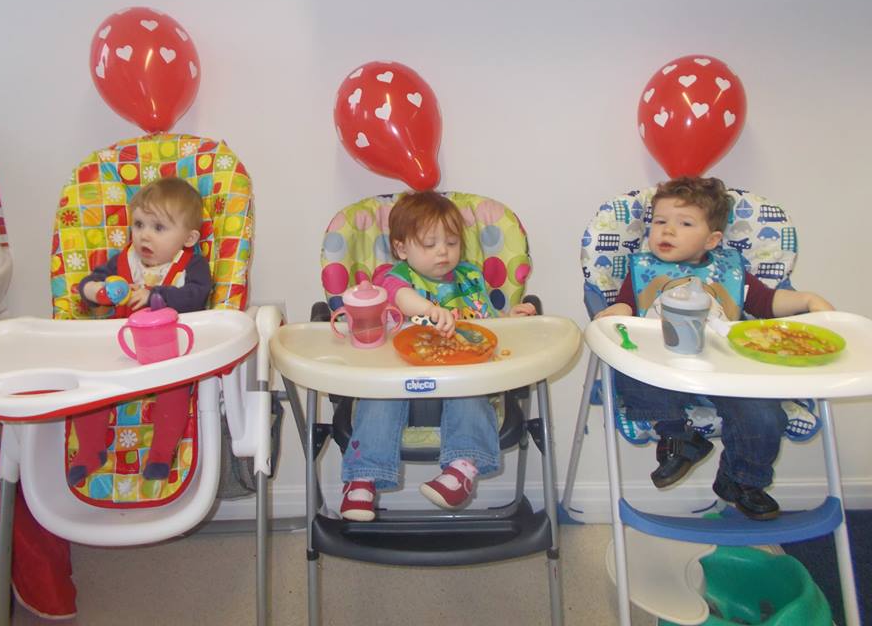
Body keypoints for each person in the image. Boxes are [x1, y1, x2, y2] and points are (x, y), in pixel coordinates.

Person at [595, 176, 833, 520]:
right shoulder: (643, 269)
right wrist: (615, 310)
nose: (668, 230)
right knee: (630, 374)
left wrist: (807, 300)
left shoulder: (731, 272)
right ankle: (679, 440)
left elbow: (768, 303)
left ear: (712, 239)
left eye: (685, 223)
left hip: (725, 371)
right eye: (660, 221)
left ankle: (741, 480)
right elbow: (627, 305)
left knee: (764, 414)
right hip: (663, 369)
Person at [339, 191, 536, 522]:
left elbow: (485, 322)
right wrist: (428, 309)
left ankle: (461, 469)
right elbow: (399, 297)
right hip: (399, 377)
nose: (443, 251)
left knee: (471, 394)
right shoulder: (392, 278)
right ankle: (363, 478)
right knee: (376, 400)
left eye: (452, 242)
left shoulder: (469, 278)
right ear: (402, 248)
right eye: (429, 244)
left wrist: (509, 319)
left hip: (459, 375)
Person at [67, 177, 212, 486]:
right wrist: (98, 292)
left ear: (189, 238)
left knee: (174, 390)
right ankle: (91, 451)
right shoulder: (124, 262)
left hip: (169, 354)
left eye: (158, 228)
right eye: (138, 224)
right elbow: (87, 285)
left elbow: (197, 296)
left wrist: (156, 295)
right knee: (88, 387)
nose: (144, 235)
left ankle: (160, 453)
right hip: (123, 352)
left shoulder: (192, 266)